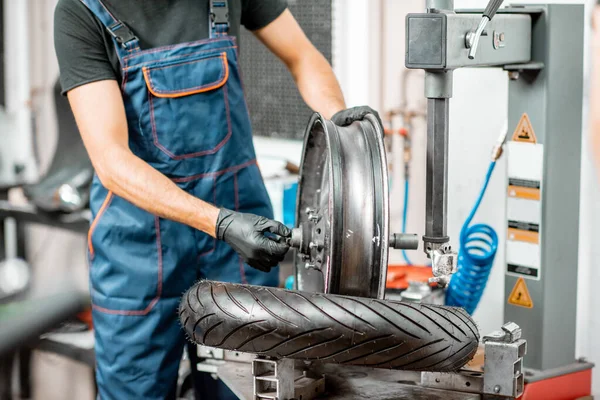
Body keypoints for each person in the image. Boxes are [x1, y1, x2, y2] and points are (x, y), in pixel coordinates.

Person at [54, 0, 376, 398]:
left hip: (238, 247)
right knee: (133, 392)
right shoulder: (79, 12)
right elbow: (111, 160)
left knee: (244, 388)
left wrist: (338, 118)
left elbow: (303, 56)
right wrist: (220, 223)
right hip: (137, 251)